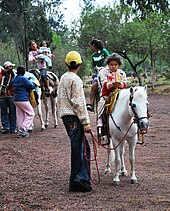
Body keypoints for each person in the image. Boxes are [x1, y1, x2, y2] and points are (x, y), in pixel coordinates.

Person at [58, 51, 92, 192]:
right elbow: (78, 102)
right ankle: (81, 179)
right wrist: (86, 122)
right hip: (74, 117)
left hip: (66, 116)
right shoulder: (76, 80)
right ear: (80, 64)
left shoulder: (63, 78)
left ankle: (75, 181)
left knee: (78, 147)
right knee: (82, 148)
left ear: (66, 63)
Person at [97, 53, 127, 128]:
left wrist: (121, 84)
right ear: (108, 64)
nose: (113, 66)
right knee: (102, 102)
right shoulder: (104, 72)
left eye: (115, 64)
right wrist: (108, 84)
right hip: (107, 93)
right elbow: (103, 81)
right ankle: (100, 118)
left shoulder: (121, 73)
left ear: (118, 65)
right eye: (111, 64)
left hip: (119, 93)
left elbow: (125, 82)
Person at [12, 65, 36, 138]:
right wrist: (32, 81)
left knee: (21, 115)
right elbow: (32, 86)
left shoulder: (14, 79)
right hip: (23, 99)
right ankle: (23, 128)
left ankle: (20, 130)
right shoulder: (23, 78)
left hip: (16, 99)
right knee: (31, 113)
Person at [87, 38, 110, 112]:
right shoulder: (93, 55)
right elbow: (94, 66)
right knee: (94, 86)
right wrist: (96, 70)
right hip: (98, 73)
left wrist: (104, 68)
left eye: (91, 46)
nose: (90, 48)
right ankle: (91, 104)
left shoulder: (104, 51)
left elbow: (109, 60)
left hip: (106, 72)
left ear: (94, 45)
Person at [0, 61, 17, 134]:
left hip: (2, 95)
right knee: (12, 112)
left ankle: (6, 127)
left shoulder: (1, 74)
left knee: (4, 112)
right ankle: (12, 128)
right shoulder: (14, 74)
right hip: (11, 95)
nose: (11, 67)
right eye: (10, 66)